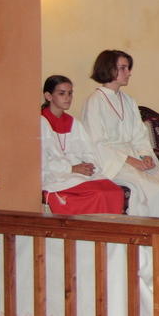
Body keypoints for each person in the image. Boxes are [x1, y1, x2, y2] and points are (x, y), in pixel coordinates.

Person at [81, 50, 159, 218]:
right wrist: (130, 160)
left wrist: (145, 155)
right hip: (112, 163)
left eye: (128, 68)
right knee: (155, 191)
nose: (128, 73)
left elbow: (139, 135)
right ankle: (150, 233)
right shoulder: (94, 101)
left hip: (134, 157)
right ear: (109, 68)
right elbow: (97, 143)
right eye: (123, 68)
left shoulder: (128, 101)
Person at [41, 75, 125, 215]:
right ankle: (92, 228)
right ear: (48, 96)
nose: (68, 98)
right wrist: (71, 168)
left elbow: (88, 150)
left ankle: (108, 229)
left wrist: (89, 166)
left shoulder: (74, 123)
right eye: (61, 93)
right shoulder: (40, 122)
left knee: (115, 192)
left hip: (79, 174)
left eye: (70, 93)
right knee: (98, 194)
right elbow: (41, 160)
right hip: (58, 176)